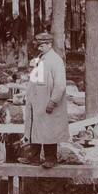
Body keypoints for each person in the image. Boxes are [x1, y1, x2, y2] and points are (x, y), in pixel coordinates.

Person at [23, 32, 68, 168]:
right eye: (38, 45)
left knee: (49, 131)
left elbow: (60, 84)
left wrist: (53, 101)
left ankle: (51, 158)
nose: (39, 48)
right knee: (35, 129)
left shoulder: (56, 60)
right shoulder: (41, 59)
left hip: (48, 102)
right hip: (38, 101)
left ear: (49, 44)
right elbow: (36, 79)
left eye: (41, 45)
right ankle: (34, 157)